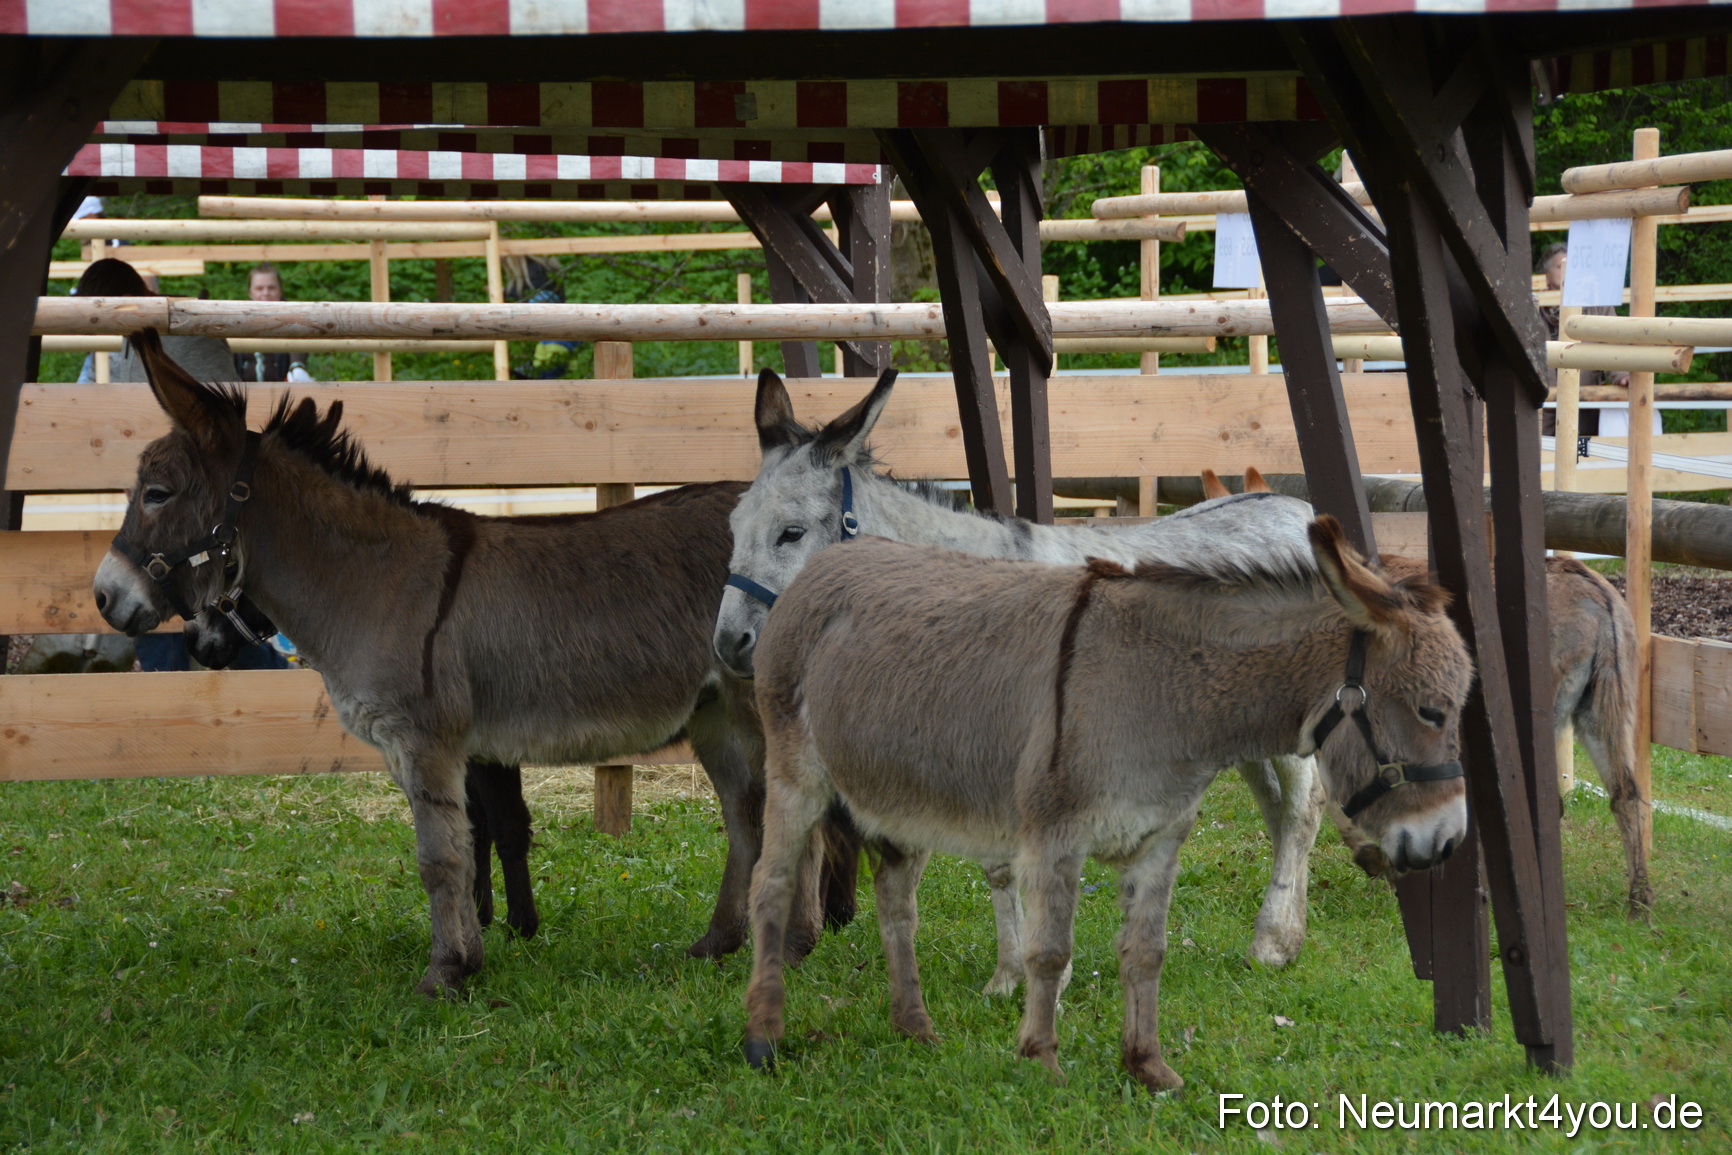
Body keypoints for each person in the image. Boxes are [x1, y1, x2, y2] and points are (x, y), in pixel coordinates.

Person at [1538, 241, 1656, 439]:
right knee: (1541, 455)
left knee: (1584, 453)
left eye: (1573, 266)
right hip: (1544, 401)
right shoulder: (1535, 306)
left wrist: (1621, 374)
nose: (1567, 272)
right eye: (1560, 266)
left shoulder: (1596, 304)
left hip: (1585, 399)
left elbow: (1614, 337)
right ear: (1546, 274)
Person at [71, 259, 238, 384]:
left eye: (102, 320)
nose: (104, 331)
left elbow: (218, 411)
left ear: (125, 304)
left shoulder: (188, 332)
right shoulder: (134, 328)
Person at [233, 263, 314, 383]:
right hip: (242, 393)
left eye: (271, 288)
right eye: (259, 288)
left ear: (280, 290)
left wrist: (297, 367)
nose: (265, 293)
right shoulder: (236, 318)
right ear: (250, 292)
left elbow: (298, 341)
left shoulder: (294, 316)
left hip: (285, 393)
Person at [503, 255, 578, 378]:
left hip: (544, 308)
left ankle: (542, 367)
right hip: (555, 312)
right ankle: (544, 366)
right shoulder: (543, 267)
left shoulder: (533, 269)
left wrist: (506, 295)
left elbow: (527, 292)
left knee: (550, 338)